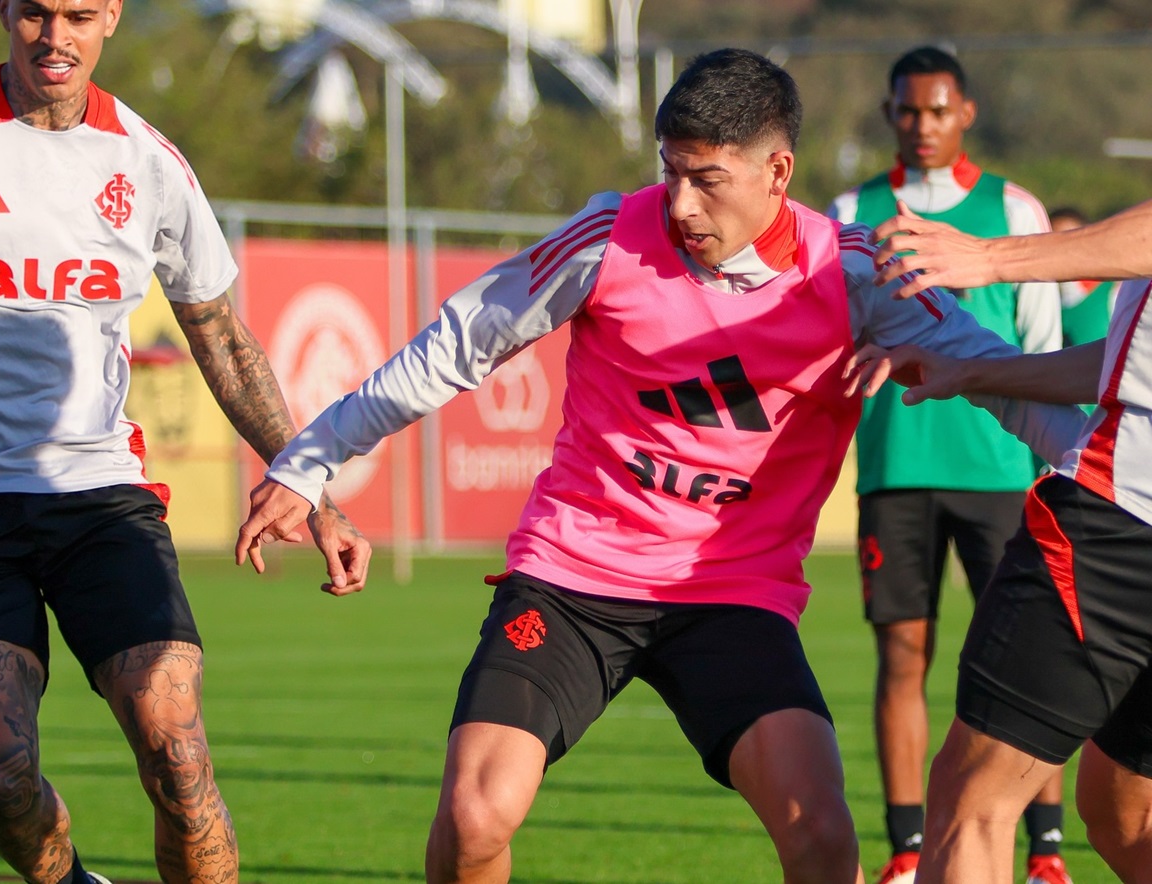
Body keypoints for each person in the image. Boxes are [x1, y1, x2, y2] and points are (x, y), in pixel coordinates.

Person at [236, 48, 1085, 884]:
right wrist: (309, 464)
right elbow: (453, 347)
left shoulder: (854, 273)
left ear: (777, 172)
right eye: (670, 172)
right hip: (573, 581)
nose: (679, 204)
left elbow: (1001, 381)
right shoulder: (608, 237)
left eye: (707, 179)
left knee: (824, 840)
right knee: (473, 818)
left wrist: (1114, 483)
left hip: (733, 595)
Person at [0, 2, 370, 883]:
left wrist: (314, 489)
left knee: (175, 744)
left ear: (110, 18)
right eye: (34, 12)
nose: (53, 36)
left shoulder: (146, 161)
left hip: (101, 500)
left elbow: (220, 336)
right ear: (4, 13)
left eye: (76, 14)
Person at [826, 44, 1070, 884]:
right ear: (890, 112)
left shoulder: (1016, 208)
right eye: (907, 110)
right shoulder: (850, 210)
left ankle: (1046, 849)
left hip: (1006, 471)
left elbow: (1042, 342)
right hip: (896, 465)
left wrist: (1049, 462)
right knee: (902, 655)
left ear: (964, 113)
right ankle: (904, 849)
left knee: (1028, 660)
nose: (921, 125)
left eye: (937, 110)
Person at [869, 201, 1152, 882]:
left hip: (1121, 529)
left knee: (974, 801)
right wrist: (970, 373)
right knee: (1125, 815)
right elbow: (1121, 371)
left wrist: (987, 257)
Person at [1049, 207, 1118, 352]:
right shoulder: (1039, 295)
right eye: (1052, 242)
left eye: (1069, 241)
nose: (1061, 251)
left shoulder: (1115, 289)